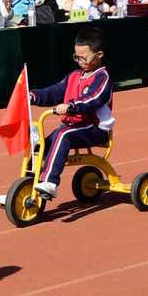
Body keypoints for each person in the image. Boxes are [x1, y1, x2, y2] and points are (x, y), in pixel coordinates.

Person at [21, 29, 116, 201]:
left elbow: (93, 99)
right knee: (41, 145)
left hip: (94, 127)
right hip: (74, 126)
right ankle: (26, 185)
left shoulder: (103, 78)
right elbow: (54, 92)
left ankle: (49, 182)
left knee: (63, 134)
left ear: (99, 54)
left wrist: (72, 106)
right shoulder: (74, 76)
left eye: (84, 57)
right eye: (76, 57)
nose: (79, 61)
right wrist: (33, 96)